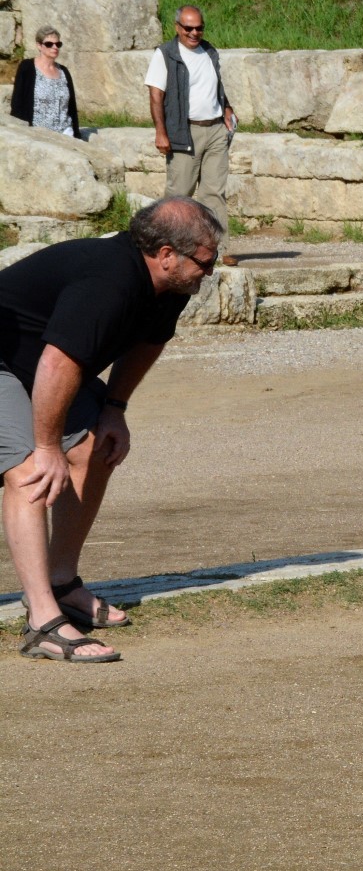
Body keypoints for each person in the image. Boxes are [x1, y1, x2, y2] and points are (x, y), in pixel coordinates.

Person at [2, 198, 221, 663]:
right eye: (206, 260)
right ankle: (42, 621)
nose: (211, 269)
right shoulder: (109, 281)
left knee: (95, 446)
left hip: (38, 366)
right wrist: (46, 446)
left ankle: (61, 583)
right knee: (29, 470)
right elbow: (58, 361)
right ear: (166, 254)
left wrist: (115, 408)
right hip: (6, 361)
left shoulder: (171, 286)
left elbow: (148, 343)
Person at [145, 7, 235, 250]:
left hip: (215, 129)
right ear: (177, 27)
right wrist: (160, 132)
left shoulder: (210, 51)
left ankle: (218, 249)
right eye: (188, 28)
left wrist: (226, 107)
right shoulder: (165, 54)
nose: (194, 33)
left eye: (199, 27)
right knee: (179, 194)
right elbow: (156, 95)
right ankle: (166, 246)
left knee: (214, 193)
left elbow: (215, 86)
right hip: (185, 131)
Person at [11, 27, 80, 139]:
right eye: (49, 44)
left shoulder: (64, 71)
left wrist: (77, 133)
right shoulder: (27, 67)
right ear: (39, 45)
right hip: (38, 133)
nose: (54, 47)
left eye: (58, 44)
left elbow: (71, 106)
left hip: (65, 132)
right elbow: (17, 102)